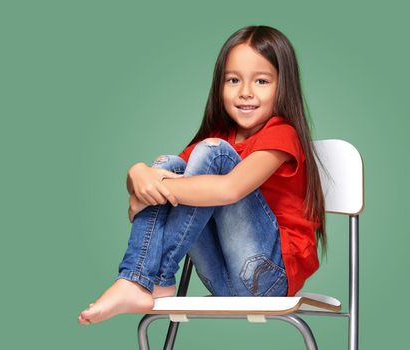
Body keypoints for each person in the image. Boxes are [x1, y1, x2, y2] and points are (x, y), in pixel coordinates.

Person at [78, 25, 326, 325]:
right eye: (233, 80)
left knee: (213, 154)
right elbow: (164, 174)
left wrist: (156, 190)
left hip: (268, 281)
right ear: (219, 86)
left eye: (261, 81)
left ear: (283, 86)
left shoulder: (283, 134)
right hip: (222, 281)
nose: (245, 92)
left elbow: (230, 190)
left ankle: (144, 277)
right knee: (168, 162)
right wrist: (138, 173)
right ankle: (147, 281)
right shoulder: (219, 135)